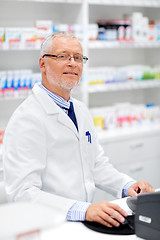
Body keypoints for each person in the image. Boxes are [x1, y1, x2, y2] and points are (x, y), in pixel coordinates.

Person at [3, 31, 154, 228]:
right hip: (48, 225)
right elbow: (22, 193)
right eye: (63, 56)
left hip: (82, 222)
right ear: (42, 64)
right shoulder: (27, 118)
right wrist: (83, 210)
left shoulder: (80, 110)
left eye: (78, 57)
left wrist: (127, 186)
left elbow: (96, 165)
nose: (72, 63)